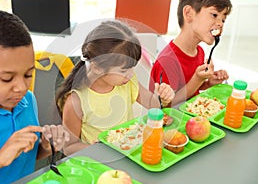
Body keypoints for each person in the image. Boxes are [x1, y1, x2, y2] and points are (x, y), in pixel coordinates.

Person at [0, 10, 69, 184]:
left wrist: (46, 147)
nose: (21, 87)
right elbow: (4, 158)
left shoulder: (27, 100)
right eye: (7, 78)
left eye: (28, 74)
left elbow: (27, 156)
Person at [56, 20, 175, 155]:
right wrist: (97, 149)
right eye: (123, 71)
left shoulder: (127, 82)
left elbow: (155, 106)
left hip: (129, 155)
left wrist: (164, 98)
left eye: (132, 68)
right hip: (99, 163)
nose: (130, 75)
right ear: (97, 68)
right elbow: (69, 147)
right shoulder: (76, 101)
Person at [149, 0, 232, 105]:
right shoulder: (168, 61)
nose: (221, 24)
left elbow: (190, 89)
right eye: (214, 15)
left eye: (223, 20)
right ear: (188, 13)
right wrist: (197, 79)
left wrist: (208, 83)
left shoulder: (199, 52)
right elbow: (167, 104)